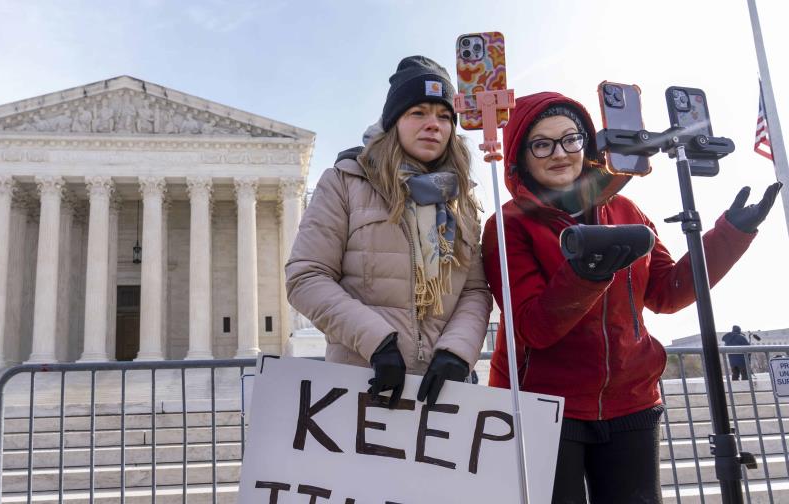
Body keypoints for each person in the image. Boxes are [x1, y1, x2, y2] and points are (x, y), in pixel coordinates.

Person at [481, 91, 782, 503]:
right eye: (542, 143)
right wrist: (586, 274)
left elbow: (666, 292)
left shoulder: (625, 209)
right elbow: (534, 328)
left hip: (631, 402)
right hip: (543, 407)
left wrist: (731, 235)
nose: (560, 153)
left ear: (587, 143)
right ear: (520, 154)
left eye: (571, 138)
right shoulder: (507, 225)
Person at [286, 56, 492, 408]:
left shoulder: (461, 200)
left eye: (444, 116)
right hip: (363, 381)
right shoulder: (345, 182)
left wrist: (457, 352)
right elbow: (306, 277)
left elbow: (474, 290)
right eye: (418, 113)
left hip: (444, 394)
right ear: (393, 121)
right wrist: (378, 342)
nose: (433, 125)